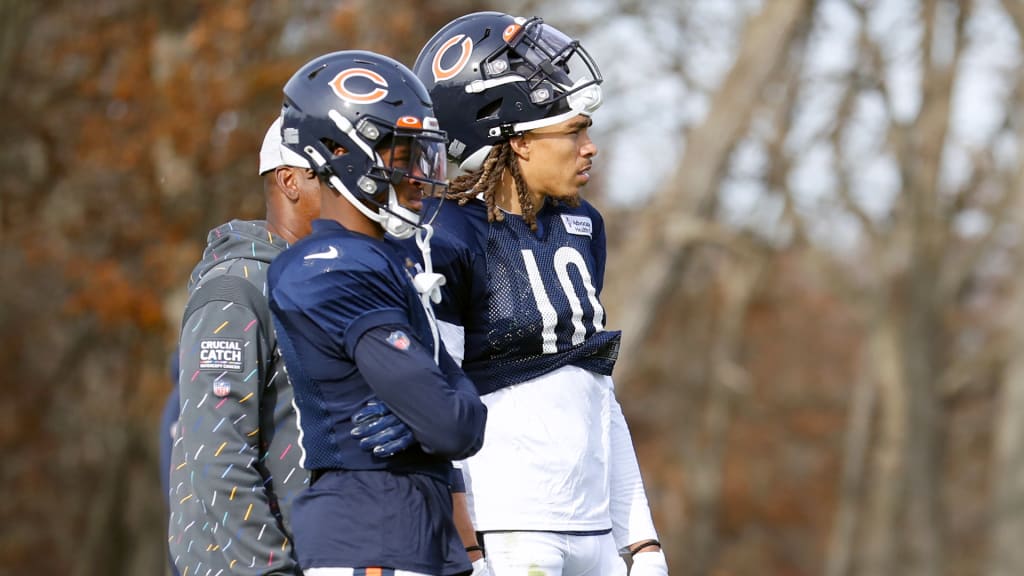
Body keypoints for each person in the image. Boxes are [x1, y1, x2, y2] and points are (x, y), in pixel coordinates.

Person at [410, 12, 668, 576]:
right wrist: (468, 547)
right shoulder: (448, 235)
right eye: (573, 130)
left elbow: (595, 384)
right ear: (516, 140)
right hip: (509, 523)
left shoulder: (582, 225)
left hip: (595, 522)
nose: (589, 147)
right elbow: (434, 402)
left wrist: (641, 538)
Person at [266, 50, 487, 576]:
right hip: (368, 533)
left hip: (412, 531)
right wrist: (431, 411)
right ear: (342, 152)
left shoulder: (387, 257)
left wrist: (427, 411)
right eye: (403, 155)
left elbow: (457, 413)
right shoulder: (330, 267)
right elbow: (454, 423)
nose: (420, 175)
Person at [166, 117, 413, 575]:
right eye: (342, 178)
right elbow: (218, 457)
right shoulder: (238, 288)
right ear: (290, 181)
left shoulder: (344, 283)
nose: (369, 194)